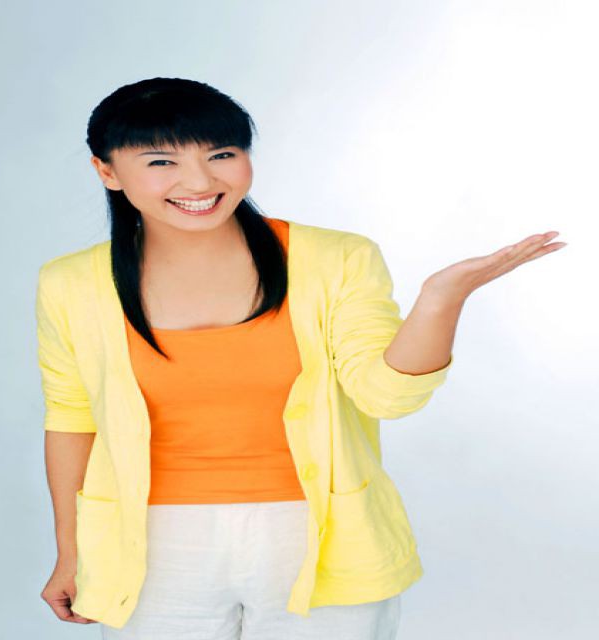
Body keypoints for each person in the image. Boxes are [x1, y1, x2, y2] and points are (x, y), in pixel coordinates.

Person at [36, 77, 566, 639]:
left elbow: (386, 395)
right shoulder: (72, 283)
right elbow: (72, 419)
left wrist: (441, 299)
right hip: (145, 545)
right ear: (107, 172)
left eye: (222, 155)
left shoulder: (336, 259)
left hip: (321, 535)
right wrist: (71, 551)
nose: (200, 181)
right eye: (161, 162)